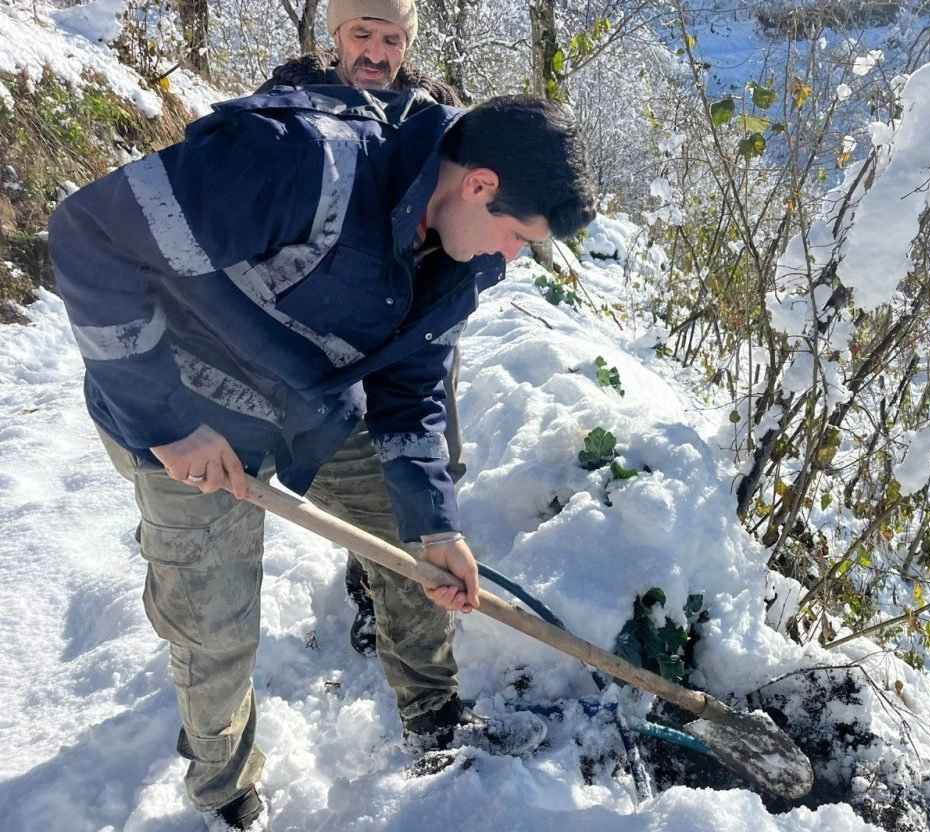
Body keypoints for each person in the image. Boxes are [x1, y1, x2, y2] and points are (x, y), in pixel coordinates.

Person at [49, 87, 595, 830]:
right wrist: (167, 425)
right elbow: (90, 234)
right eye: (520, 238)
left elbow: (409, 386)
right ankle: (223, 789)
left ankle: (435, 718)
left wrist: (437, 526)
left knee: (416, 557)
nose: (514, 256)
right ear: (479, 185)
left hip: (308, 411)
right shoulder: (306, 164)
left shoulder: (461, 259)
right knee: (214, 621)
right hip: (179, 416)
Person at [258, 0, 465, 658]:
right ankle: (374, 571)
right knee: (356, 471)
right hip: (322, 330)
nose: (377, 53)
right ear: (337, 36)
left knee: (428, 452)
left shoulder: (433, 109)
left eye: (393, 39)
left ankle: (378, 572)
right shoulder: (288, 100)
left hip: (408, 323)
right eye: (362, 34)